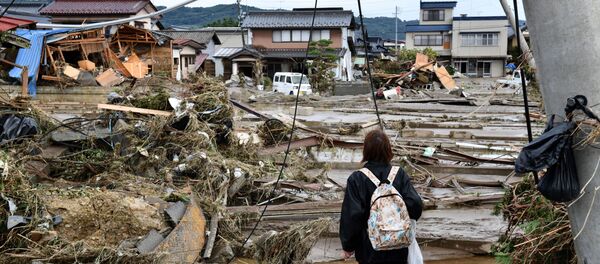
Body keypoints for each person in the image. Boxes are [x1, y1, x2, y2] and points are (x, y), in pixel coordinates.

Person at [340, 130, 423, 264]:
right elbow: (416, 206)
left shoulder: (357, 179)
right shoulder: (399, 174)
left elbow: (352, 216)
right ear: (388, 150)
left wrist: (348, 246)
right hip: (399, 244)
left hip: (370, 247)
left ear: (366, 150)